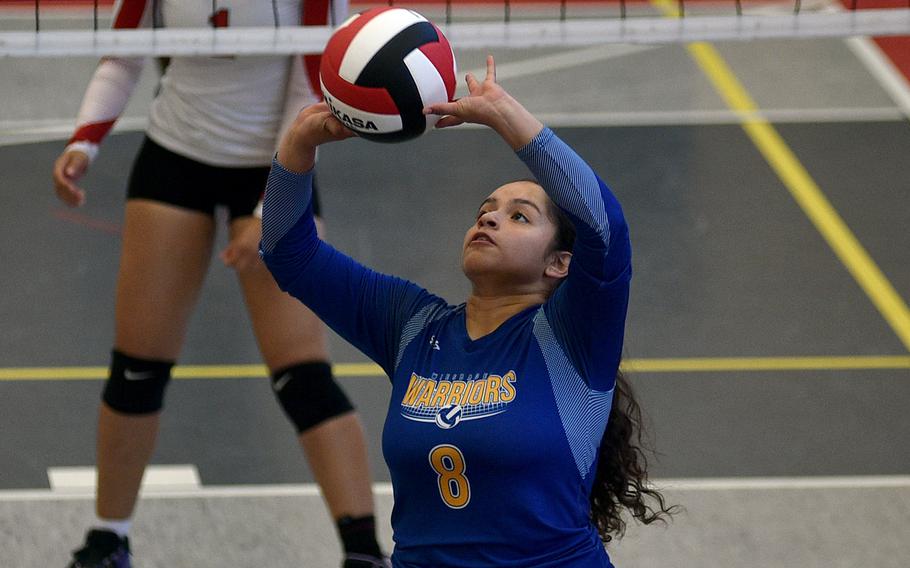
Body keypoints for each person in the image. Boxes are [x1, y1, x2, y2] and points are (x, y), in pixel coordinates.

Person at [261, 55, 675, 567]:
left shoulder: (573, 337)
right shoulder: (412, 325)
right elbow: (287, 252)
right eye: (485, 211)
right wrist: (298, 145)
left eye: (518, 216)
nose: (490, 220)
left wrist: (506, 117)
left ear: (560, 263)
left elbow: (605, 226)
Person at [51, 2, 388, 567]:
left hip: (273, 163)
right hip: (175, 158)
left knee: (302, 376)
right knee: (137, 368)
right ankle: (109, 539)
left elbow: (311, 85)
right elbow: (122, 59)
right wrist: (83, 144)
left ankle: (364, 552)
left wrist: (268, 205)